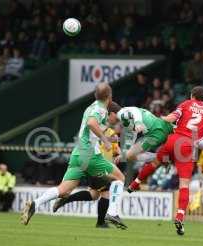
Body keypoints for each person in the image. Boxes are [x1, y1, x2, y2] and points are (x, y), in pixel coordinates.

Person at [128, 86, 203, 235]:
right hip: (187, 146)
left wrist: (162, 118)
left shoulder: (186, 104)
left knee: (155, 162)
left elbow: (171, 118)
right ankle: (179, 216)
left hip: (174, 140)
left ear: (192, 96)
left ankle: (134, 184)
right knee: (184, 184)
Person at [21, 83, 126, 228]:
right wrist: (105, 140)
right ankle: (112, 213)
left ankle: (35, 203)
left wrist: (107, 138)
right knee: (120, 178)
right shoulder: (101, 109)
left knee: (63, 190)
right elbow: (91, 123)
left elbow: (90, 128)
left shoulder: (91, 107)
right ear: (109, 96)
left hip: (78, 154)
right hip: (90, 155)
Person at [52, 102, 123, 229]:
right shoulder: (99, 126)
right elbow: (95, 134)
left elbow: (116, 150)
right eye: (117, 119)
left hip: (100, 164)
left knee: (94, 195)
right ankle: (101, 223)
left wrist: (118, 154)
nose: (118, 123)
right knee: (106, 192)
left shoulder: (111, 133)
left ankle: (66, 200)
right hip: (94, 163)